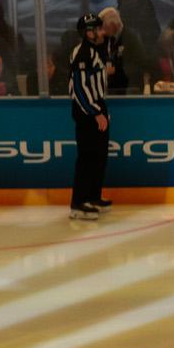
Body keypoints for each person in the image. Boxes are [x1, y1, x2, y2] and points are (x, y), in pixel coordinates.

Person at [66, 12, 112, 218]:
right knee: (87, 157)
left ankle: (93, 196)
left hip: (98, 106)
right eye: (99, 29)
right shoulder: (82, 52)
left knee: (99, 156)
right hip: (86, 111)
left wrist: (101, 110)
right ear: (88, 32)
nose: (102, 32)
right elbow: (79, 88)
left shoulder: (96, 50)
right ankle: (78, 202)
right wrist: (95, 112)